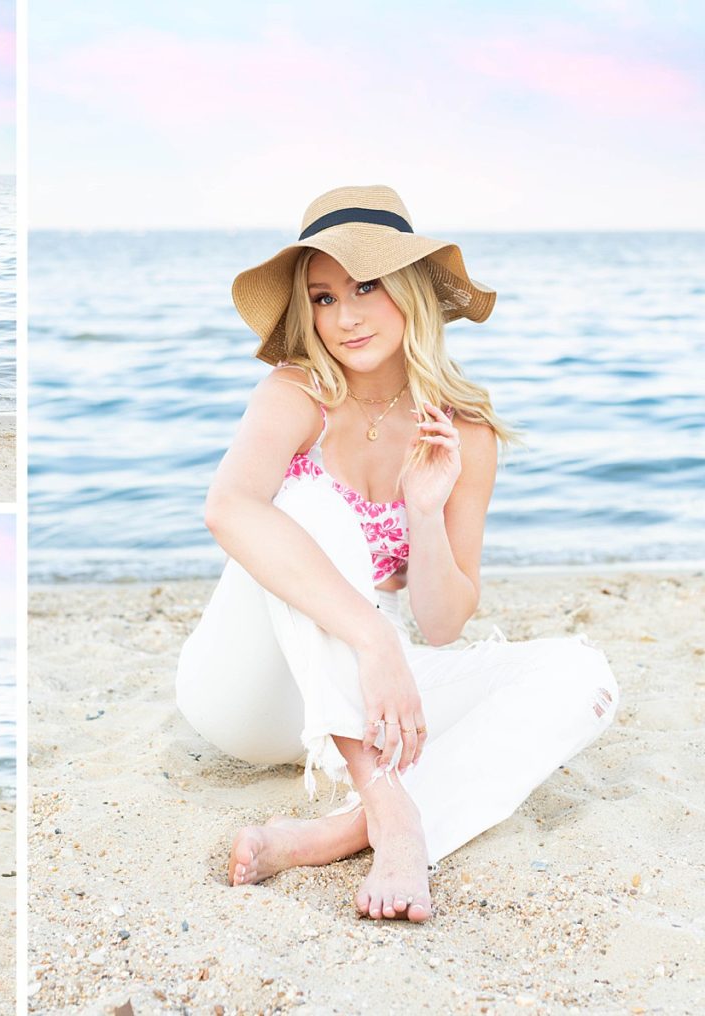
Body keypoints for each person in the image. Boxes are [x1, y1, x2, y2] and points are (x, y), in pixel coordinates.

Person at [176, 185, 618, 923]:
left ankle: (344, 829)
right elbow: (227, 508)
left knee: (583, 676)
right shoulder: (296, 392)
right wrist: (375, 635)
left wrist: (423, 511)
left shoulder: (462, 434)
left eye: (365, 286)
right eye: (321, 297)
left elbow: (443, 623)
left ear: (409, 290)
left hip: (361, 695)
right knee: (307, 504)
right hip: (249, 692)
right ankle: (391, 809)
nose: (343, 316)